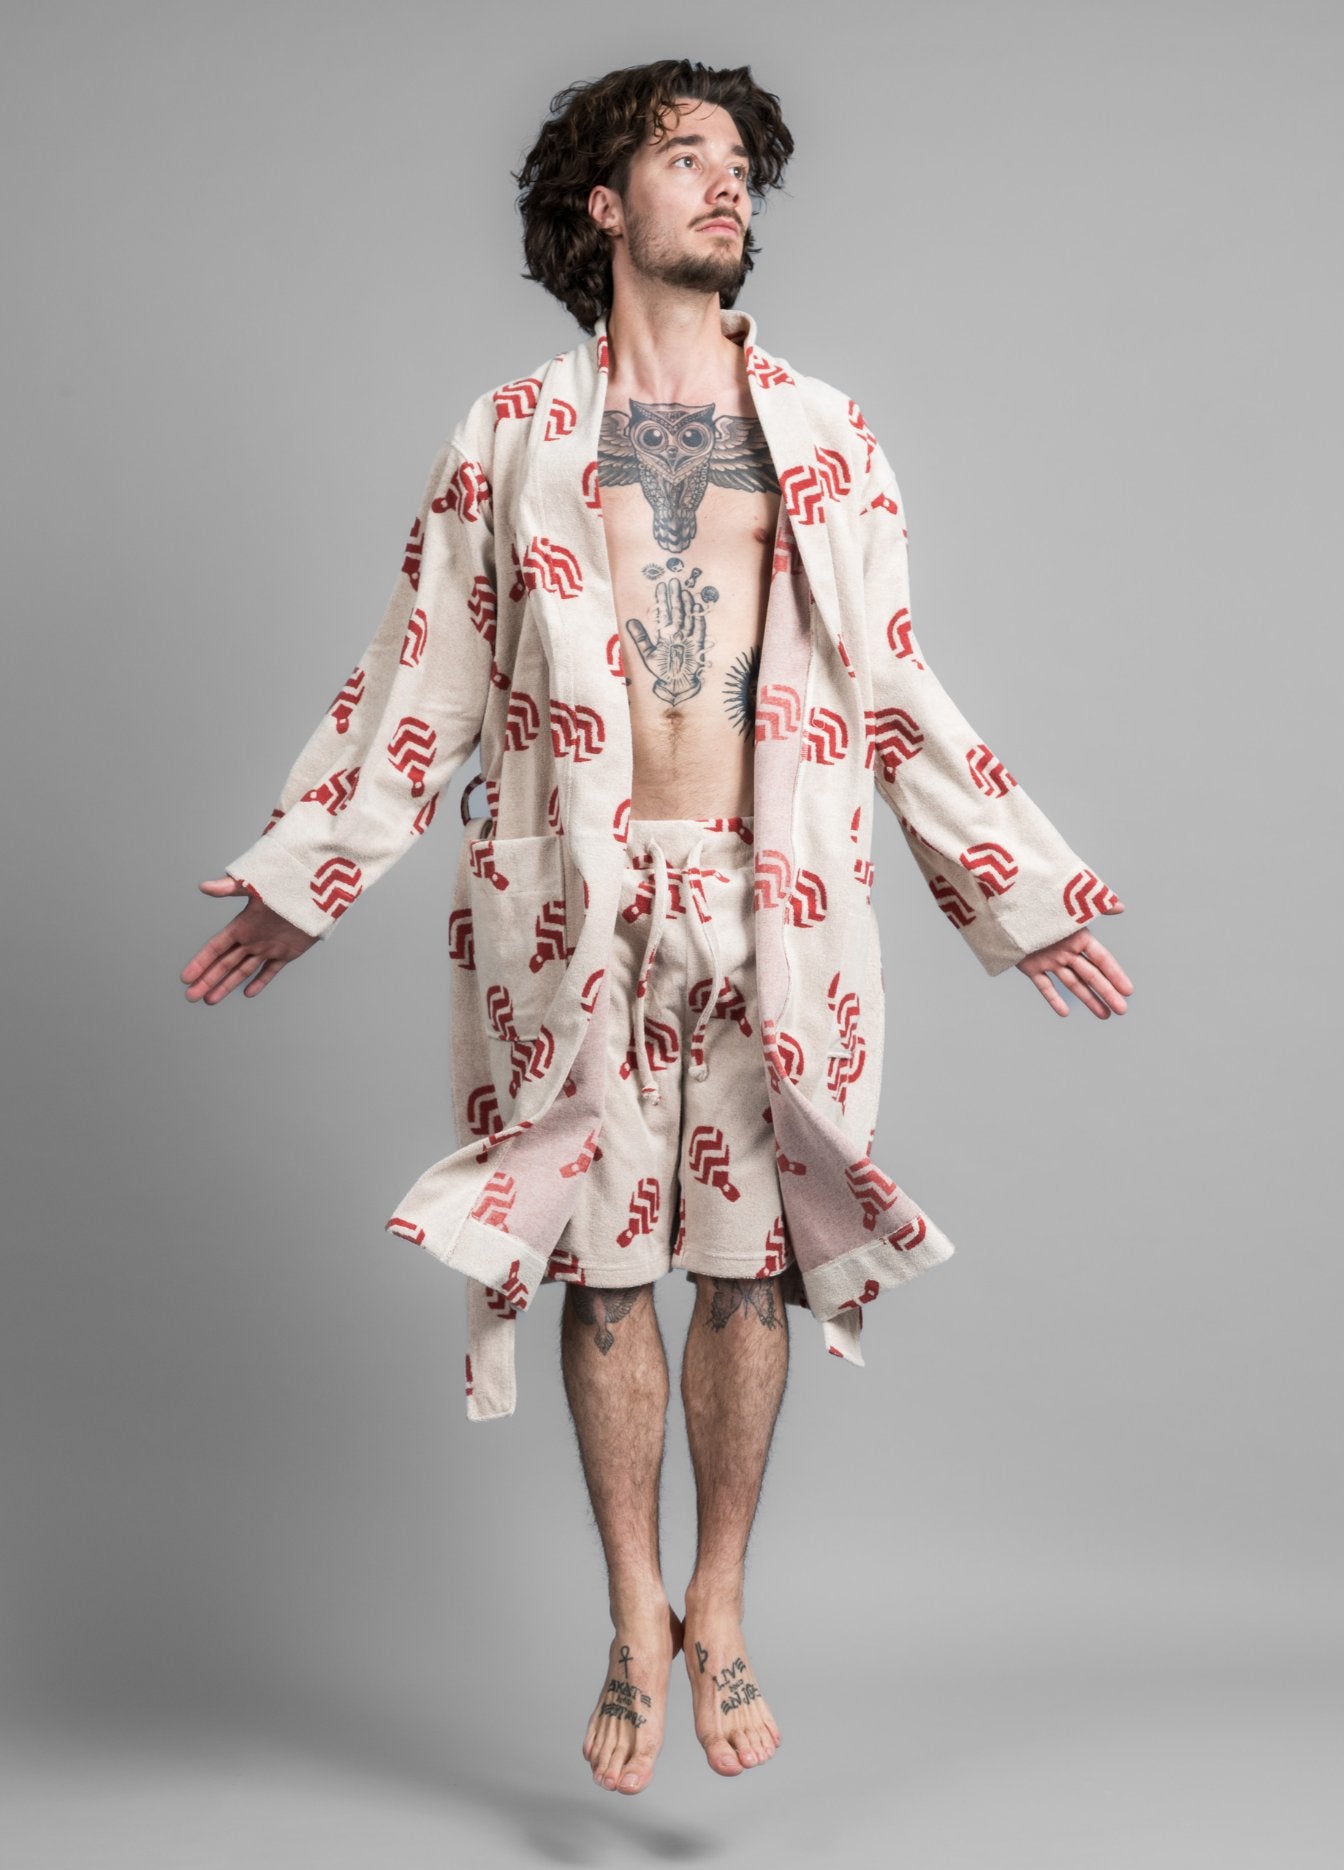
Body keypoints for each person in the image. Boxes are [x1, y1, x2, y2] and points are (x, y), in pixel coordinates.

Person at [181, 60, 1133, 1797]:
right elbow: (421, 677)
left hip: (778, 895)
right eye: (684, 154)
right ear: (605, 204)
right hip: (577, 900)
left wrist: (1018, 882)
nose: (727, 180)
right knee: (609, 1263)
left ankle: (724, 1594)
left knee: (751, 1256)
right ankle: (635, 1607)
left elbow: (892, 684)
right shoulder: (510, 438)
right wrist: (306, 875)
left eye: (741, 159)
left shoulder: (827, 435)